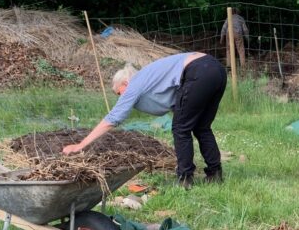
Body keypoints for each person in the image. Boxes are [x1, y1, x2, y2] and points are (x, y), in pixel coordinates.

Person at [62, 52, 227, 188]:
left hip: (198, 71)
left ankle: (184, 179)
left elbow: (113, 118)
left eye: (119, 93)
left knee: (180, 129)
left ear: (125, 83)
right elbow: (178, 100)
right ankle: (215, 174)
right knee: (201, 127)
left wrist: (81, 145)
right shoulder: (148, 78)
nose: (122, 97)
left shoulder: (135, 84)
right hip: (216, 69)